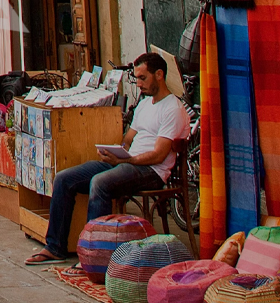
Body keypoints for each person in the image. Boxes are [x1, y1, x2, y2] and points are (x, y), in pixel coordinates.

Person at [26, 53, 191, 266]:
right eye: (137, 78)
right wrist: (117, 152)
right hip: (129, 163)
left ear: (159, 75)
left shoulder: (172, 108)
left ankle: (93, 257)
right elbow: (129, 139)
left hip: (151, 171)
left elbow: (159, 155)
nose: (138, 84)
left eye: (143, 78)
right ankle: (55, 247)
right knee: (64, 179)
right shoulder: (145, 104)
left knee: (100, 183)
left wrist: (125, 161)